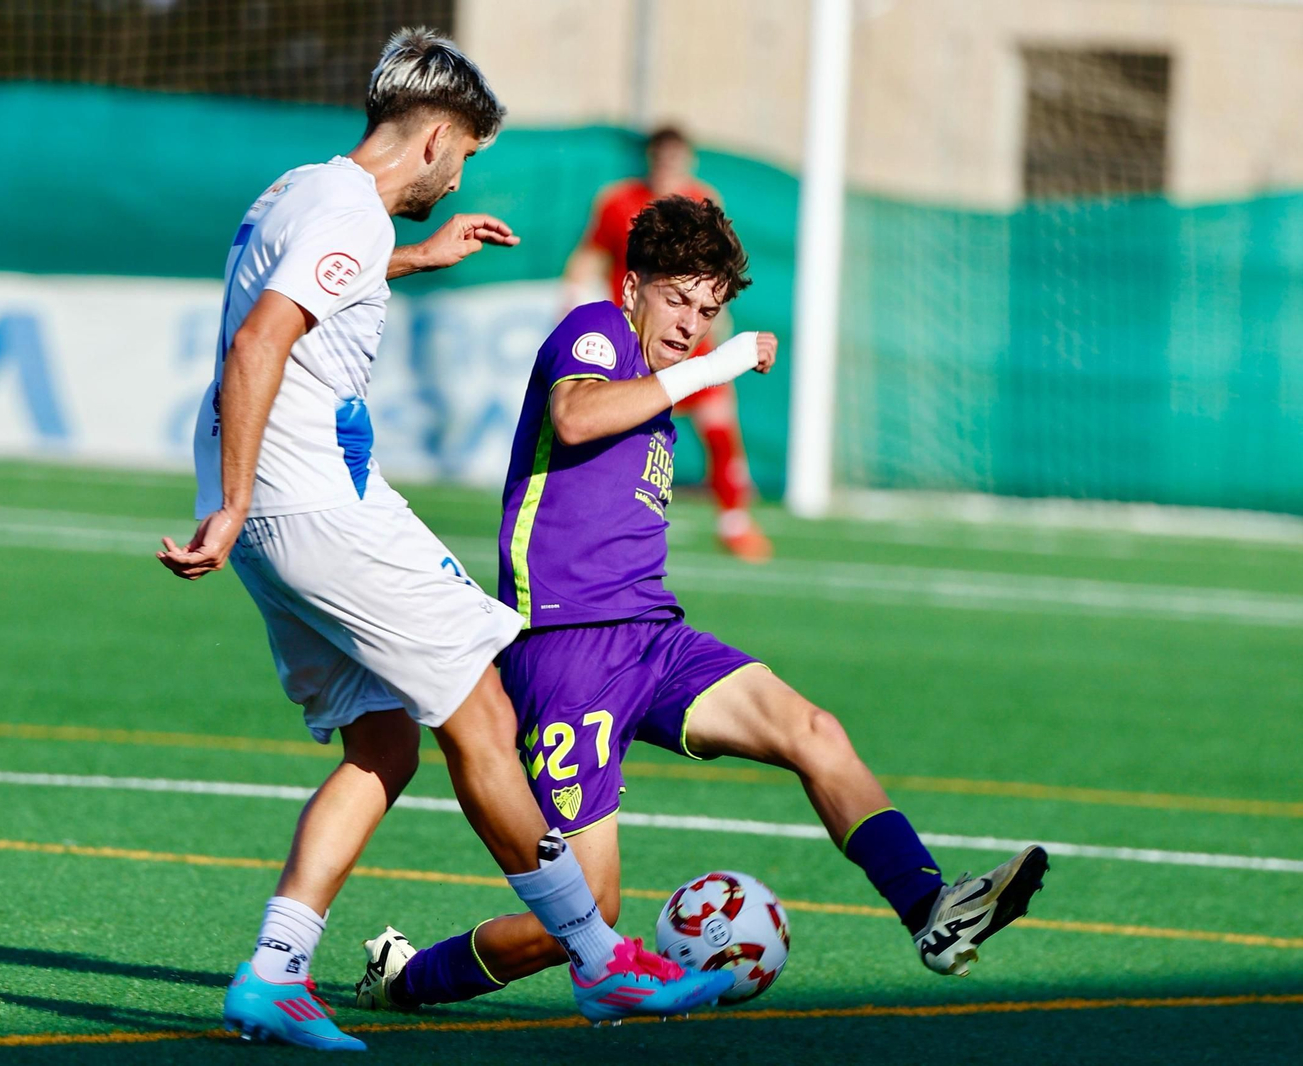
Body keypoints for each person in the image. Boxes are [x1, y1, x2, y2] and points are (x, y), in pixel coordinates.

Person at [156, 29, 732, 1051]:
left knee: (383, 743)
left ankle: (274, 971)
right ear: (429, 139)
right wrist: (239, 499)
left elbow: (301, 292)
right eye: (462, 153)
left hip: (277, 515)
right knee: (480, 708)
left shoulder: (301, 192)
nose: (459, 173)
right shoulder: (341, 209)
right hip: (314, 500)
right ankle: (602, 964)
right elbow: (259, 342)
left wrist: (417, 255)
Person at [355, 196, 1048, 1014]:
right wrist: (713, 366)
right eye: (678, 298)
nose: (691, 323)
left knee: (813, 731)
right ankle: (406, 978)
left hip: (654, 638)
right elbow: (575, 418)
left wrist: (689, 374)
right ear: (635, 284)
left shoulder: (658, 384)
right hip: (567, 656)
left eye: (709, 310)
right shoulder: (596, 332)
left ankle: (930, 908)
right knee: (587, 921)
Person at [565, 125, 772, 562]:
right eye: (662, 159)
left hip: (688, 341)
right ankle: (593, 519)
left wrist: (717, 325)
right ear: (651, 160)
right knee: (616, 430)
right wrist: (571, 297)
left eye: (676, 159)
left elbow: (719, 275)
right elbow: (591, 253)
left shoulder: (703, 201)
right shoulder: (618, 201)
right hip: (634, 340)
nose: (668, 168)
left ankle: (734, 522)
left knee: (719, 426)